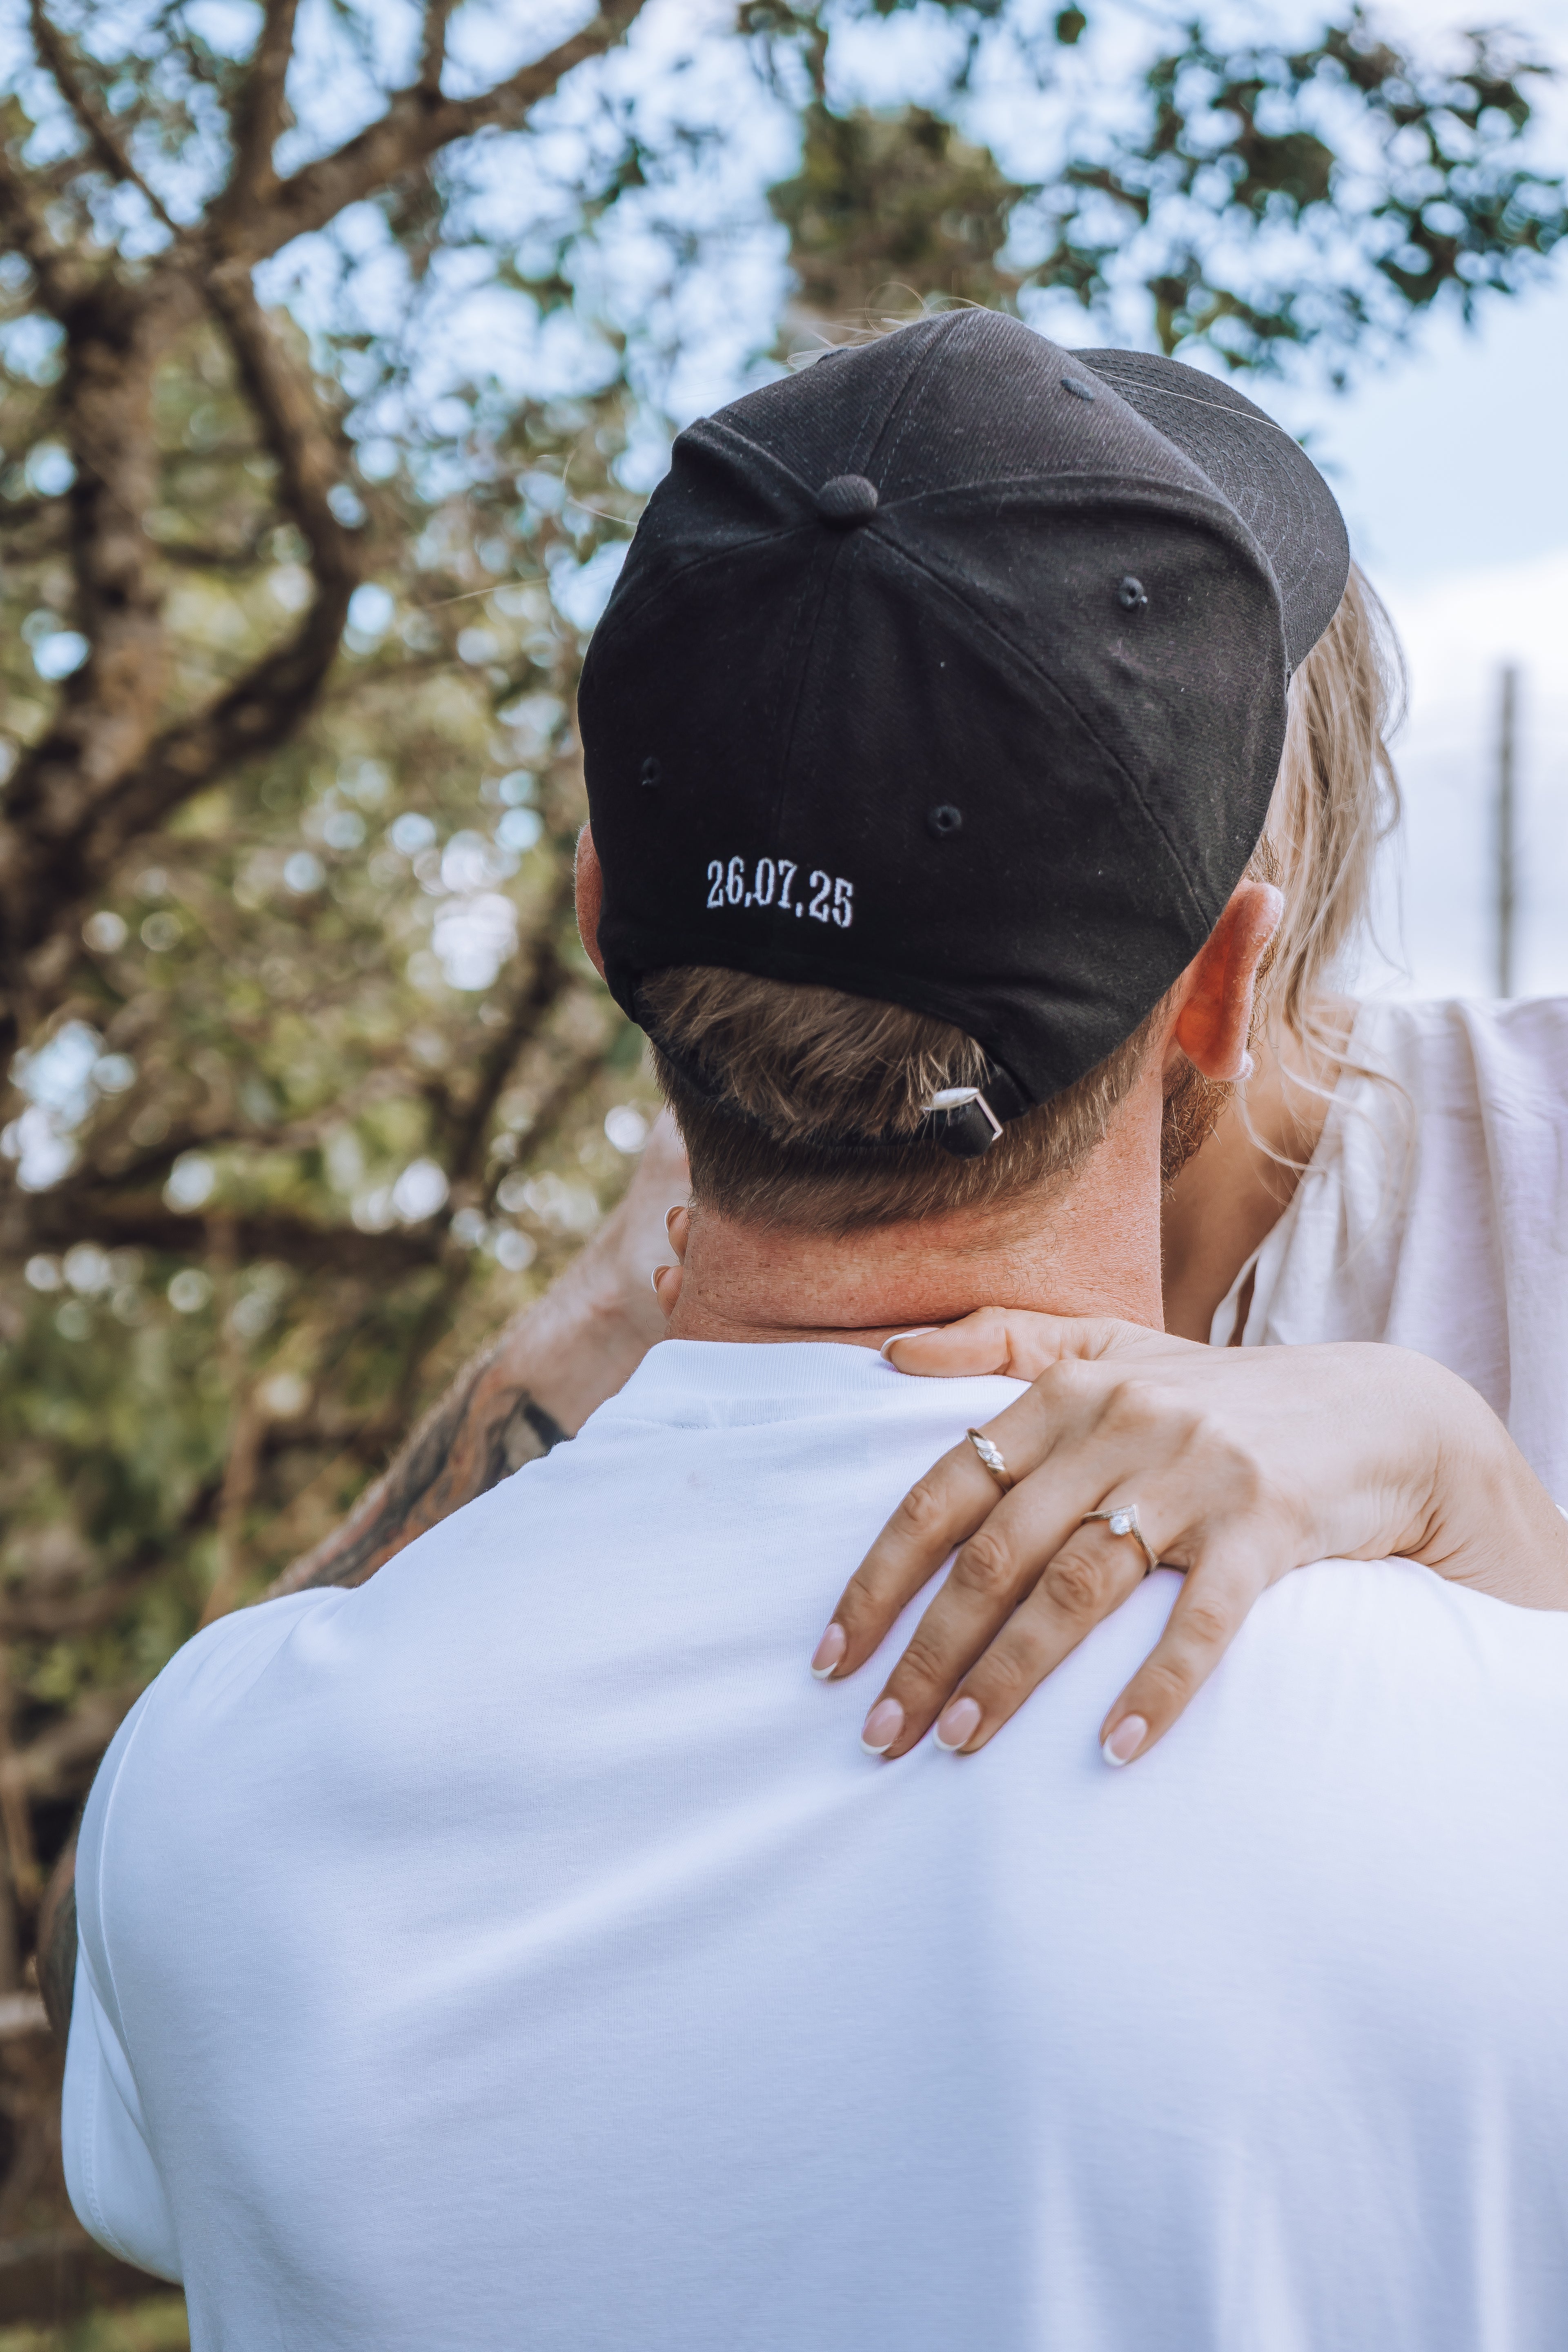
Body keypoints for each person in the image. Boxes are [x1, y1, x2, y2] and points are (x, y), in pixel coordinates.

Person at [54, 313, 1568, 2347]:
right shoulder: (1475, 1763)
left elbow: (152, 2013)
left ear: (603, 914)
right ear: (1225, 963)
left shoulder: (222, 1769)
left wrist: (1441, 1462)